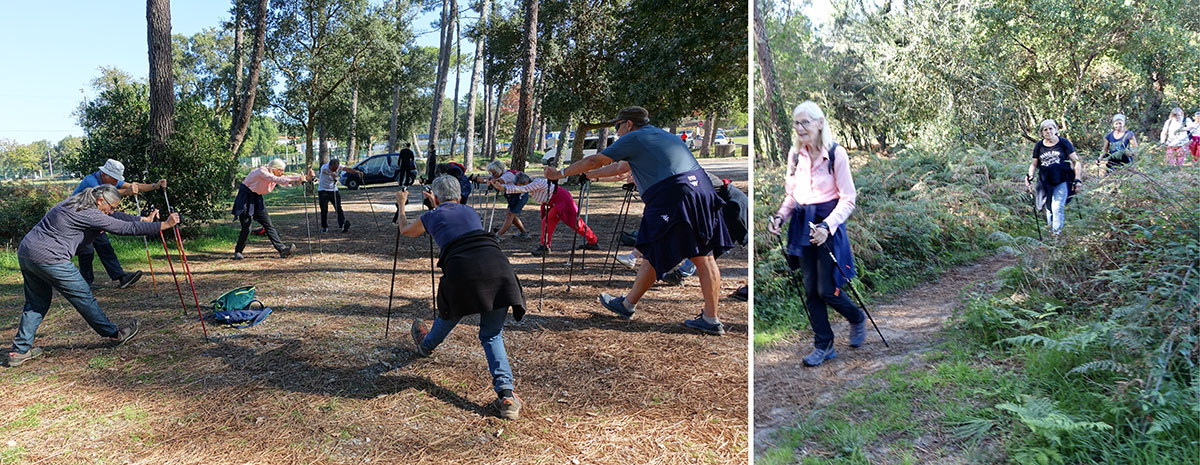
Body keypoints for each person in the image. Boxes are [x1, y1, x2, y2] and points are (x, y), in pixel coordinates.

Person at [546, 106, 734, 336]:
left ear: (629, 124)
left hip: (674, 196)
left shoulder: (634, 137)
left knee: (672, 250)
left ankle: (629, 305)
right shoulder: (660, 135)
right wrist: (588, 175)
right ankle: (708, 317)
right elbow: (620, 167)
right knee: (699, 255)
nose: (617, 131)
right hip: (701, 190)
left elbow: (595, 159)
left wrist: (561, 173)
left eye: (618, 126)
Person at [396, 175, 526, 420]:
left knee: (450, 313)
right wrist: (435, 202)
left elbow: (405, 230)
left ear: (435, 197)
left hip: (462, 272)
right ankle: (507, 395)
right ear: (458, 195)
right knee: (491, 334)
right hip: (499, 270)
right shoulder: (470, 211)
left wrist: (401, 204)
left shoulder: (431, 216)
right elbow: (453, 214)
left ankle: (426, 345)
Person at [7, 185, 180, 367]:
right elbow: (122, 228)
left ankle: (19, 351)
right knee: (84, 297)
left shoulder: (76, 203)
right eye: (111, 207)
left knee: (36, 302)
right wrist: (164, 225)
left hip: (27, 253)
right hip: (52, 258)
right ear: (100, 201)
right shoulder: (89, 213)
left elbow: (113, 218)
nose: (112, 210)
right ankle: (114, 334)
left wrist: (142, 219)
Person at [766, 101, 868, 366]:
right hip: (802, 225)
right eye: (796, 123)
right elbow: (792, 196)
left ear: (820, 123)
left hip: (828, 227)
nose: (800, 128)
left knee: (826, 289)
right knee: (811, 290)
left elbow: (848, 199)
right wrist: (780, 216)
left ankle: (856, 317)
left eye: (805, 122)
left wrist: (826, 226)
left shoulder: (836, 154)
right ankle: (824, 344)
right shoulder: (794, 154)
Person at [72, 159, 167, 290]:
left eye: (117, 180)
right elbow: (104, 195)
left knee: (105, 246)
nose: (117, 183)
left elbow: (134, 186)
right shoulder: (91, 181)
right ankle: (85, 283)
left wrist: (154, 186)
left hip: (96, 217)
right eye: (114, 180)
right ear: (105, 175)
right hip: (78, 219)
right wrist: (126, 192)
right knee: (87, 250)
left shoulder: (110, 180)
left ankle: (121, 278)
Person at [492, 172, 599, 256]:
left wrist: (504, 188)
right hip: (554, 202)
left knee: (575, 223)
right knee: (548, 221)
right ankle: (545, 246)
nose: (519, 188)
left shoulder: (536, 183)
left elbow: (523, 189)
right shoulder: (530, 184)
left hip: (563, 200)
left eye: (519, 185)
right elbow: (522, 188)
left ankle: (593, 241)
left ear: (525, 182)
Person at [232, 158, 315, 260]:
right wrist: (296, 179)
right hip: (245, 198)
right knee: (246, 228)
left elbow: (286, 178)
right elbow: (277, 179)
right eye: (280, 170)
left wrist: (306, 177)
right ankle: (238, 251)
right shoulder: (262, 172)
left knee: (268, 225)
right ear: (274, 169)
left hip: (257, 197)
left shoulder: (274, 175)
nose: (282, 172)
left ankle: (282, 249)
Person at [1026, 119, 1083, 235]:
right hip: (1045, 181)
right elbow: (1034, 164)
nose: (1048, 131)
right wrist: (1030, 175)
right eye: (1045, 130)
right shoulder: (1039, 146)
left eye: (1051, 128)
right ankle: (1052, 231)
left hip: (1062, 179)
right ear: (1042, 133)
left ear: (1056, 129)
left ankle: (1056, 236)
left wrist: (1077, 179)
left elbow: (1076, 162)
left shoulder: (1063, 143)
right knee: (1049, 208)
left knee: (1057, 206)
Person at [317, 158, 364, 233]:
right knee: (324, 209)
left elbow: (348, 169)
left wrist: (356, 172)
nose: (335, 170)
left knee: (338, 207)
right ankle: (324, 226)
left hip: (334, 190)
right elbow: (324, 171)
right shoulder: (325, 167)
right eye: (333, 169)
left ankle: (342, 225)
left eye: (336, 168)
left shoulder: (338, 166)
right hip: (323, 190)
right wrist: (331, 174)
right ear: (330, 165)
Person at [485, 160, 529, 238]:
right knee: (512, 216)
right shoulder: (501, 174)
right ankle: (524, 233)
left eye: (494, 173)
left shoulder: (508, 175)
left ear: (499, 170)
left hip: (520, 195)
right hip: (513, 195)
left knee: (510, 215)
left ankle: (498, 235)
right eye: (491, 173)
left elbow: (498, 182)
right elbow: (491, 179)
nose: (493, 175)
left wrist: (489, 181)